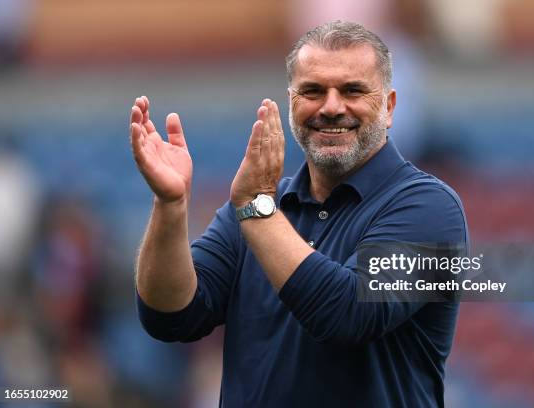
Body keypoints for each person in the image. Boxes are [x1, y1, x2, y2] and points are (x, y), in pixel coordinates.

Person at [131, 21, 467, 408]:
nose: (331, 107)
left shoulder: (431, 208)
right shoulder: (258, 208)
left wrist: (257, 209)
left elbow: (347, 313)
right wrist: (171, 206)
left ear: (388, 107)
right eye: (313, 91)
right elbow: (169, 315)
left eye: (353, 90)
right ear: (292, 102)